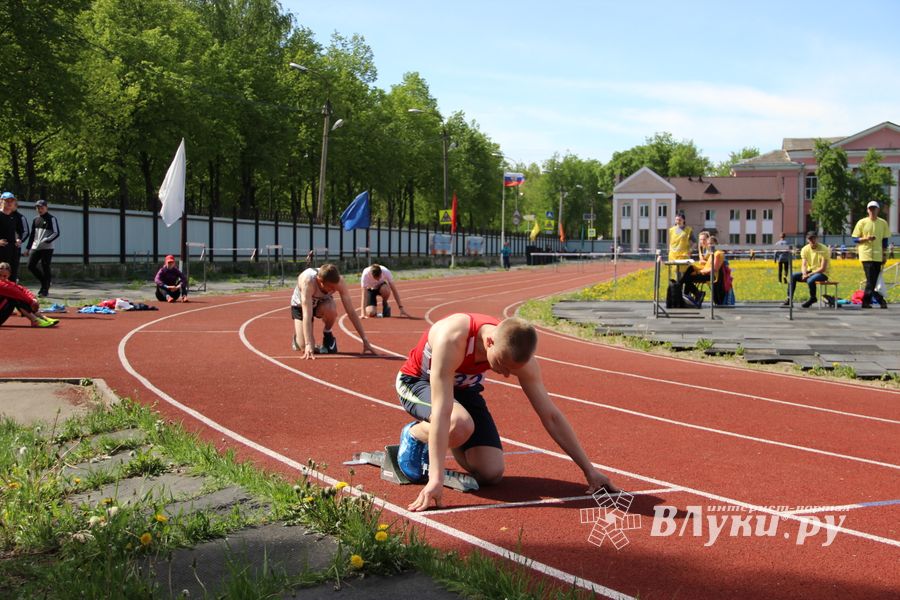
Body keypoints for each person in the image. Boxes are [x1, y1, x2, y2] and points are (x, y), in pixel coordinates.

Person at [395, 313, 619, 512]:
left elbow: (551, 416)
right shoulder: (452, 338)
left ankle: (450, 434)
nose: (505, 374)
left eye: (513, 369)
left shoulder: (520, 358)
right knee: (458, 423)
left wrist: (589, 471)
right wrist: (435, 478)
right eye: (501, 364)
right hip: (418, 383)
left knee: (490, 473)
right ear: (490, 341)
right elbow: (443, 411)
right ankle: (415, 433)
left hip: (463, 392)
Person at [291, 263, 376, 359]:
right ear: (320, 281)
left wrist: (365, 340)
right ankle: (297, 339)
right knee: (304, 347)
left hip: (322, 303)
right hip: (300, 307)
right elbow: (307, 314)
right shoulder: (308, 282)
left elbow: (351, 312)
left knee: (331, 308)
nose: (333, 290)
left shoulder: (339, 282)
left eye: (335, 288)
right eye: (331, 288)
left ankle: (328, 334)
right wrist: (308, 344)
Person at [851, 201, 890, 309]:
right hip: (866, 254)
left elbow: (885, 241)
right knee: (870, 279)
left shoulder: (883, 223)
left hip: (878, 255)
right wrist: (866, 239)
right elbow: (855, 239)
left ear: (878, 210)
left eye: (874, 208)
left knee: (873, 280)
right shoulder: (862, 222)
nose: (872, 211)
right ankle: (873, 301)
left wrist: (884, 255)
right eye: (870, 209)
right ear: (868, 210)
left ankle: (873, 301)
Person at [0, 262, 58, 327]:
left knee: (16, 297)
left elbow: (23, 290)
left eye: (4, 276)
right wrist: (31, 302)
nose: (2, 278)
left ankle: (41, 318)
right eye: (0, 275)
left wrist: (33, 299)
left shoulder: (9, 283)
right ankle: (36, 320)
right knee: (14, 298)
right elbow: (17, 293)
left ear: (9, 275)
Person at [783, 232, 830, 308]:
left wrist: (809, 275)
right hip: (810, 271)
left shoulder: (824, 249)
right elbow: (804, 264)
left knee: (810, 280)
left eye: (813, 238)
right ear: (807, 240)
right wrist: (804, 273)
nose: (812, 240)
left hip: (822, 273)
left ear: (817, 238)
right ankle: (789, 298)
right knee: (793, 275)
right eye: (810, 239)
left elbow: (822, 268)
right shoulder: (805, 249)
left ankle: (813, 298)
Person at [24, 199, 60, 297]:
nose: (40, 209)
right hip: (35, 247)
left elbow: (56, 233)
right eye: (38, 208)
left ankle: (45, 289)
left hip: (47, 247)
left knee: (45, 266)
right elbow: (32, 235)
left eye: (42, 207)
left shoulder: (52, 218)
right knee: (30, 266)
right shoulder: (35, 219)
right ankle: (45, 282)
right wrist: (28, 248)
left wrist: (47, 239)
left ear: (46, 207)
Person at [680, 233, 723, 307]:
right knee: (688, 272)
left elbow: (714, 268)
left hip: (710, 275)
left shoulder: (716, 253)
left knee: (687, 278)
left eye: (710, 243)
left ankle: (686, 294)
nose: (709, 245)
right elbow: (708, 265)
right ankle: (688, 295)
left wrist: (700, 271)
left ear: (716, 244)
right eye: (700, 239)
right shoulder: (707, 250)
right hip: (705, 272)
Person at [0, 193, 21, 283]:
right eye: (7, 201)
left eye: (11, 201)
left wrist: (18, 239)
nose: (9, 203)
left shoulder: (15, 216)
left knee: (12, 274)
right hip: (1, 249)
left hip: (13, 250)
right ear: (1, 201)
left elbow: (21, 231)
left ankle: (11, 296)